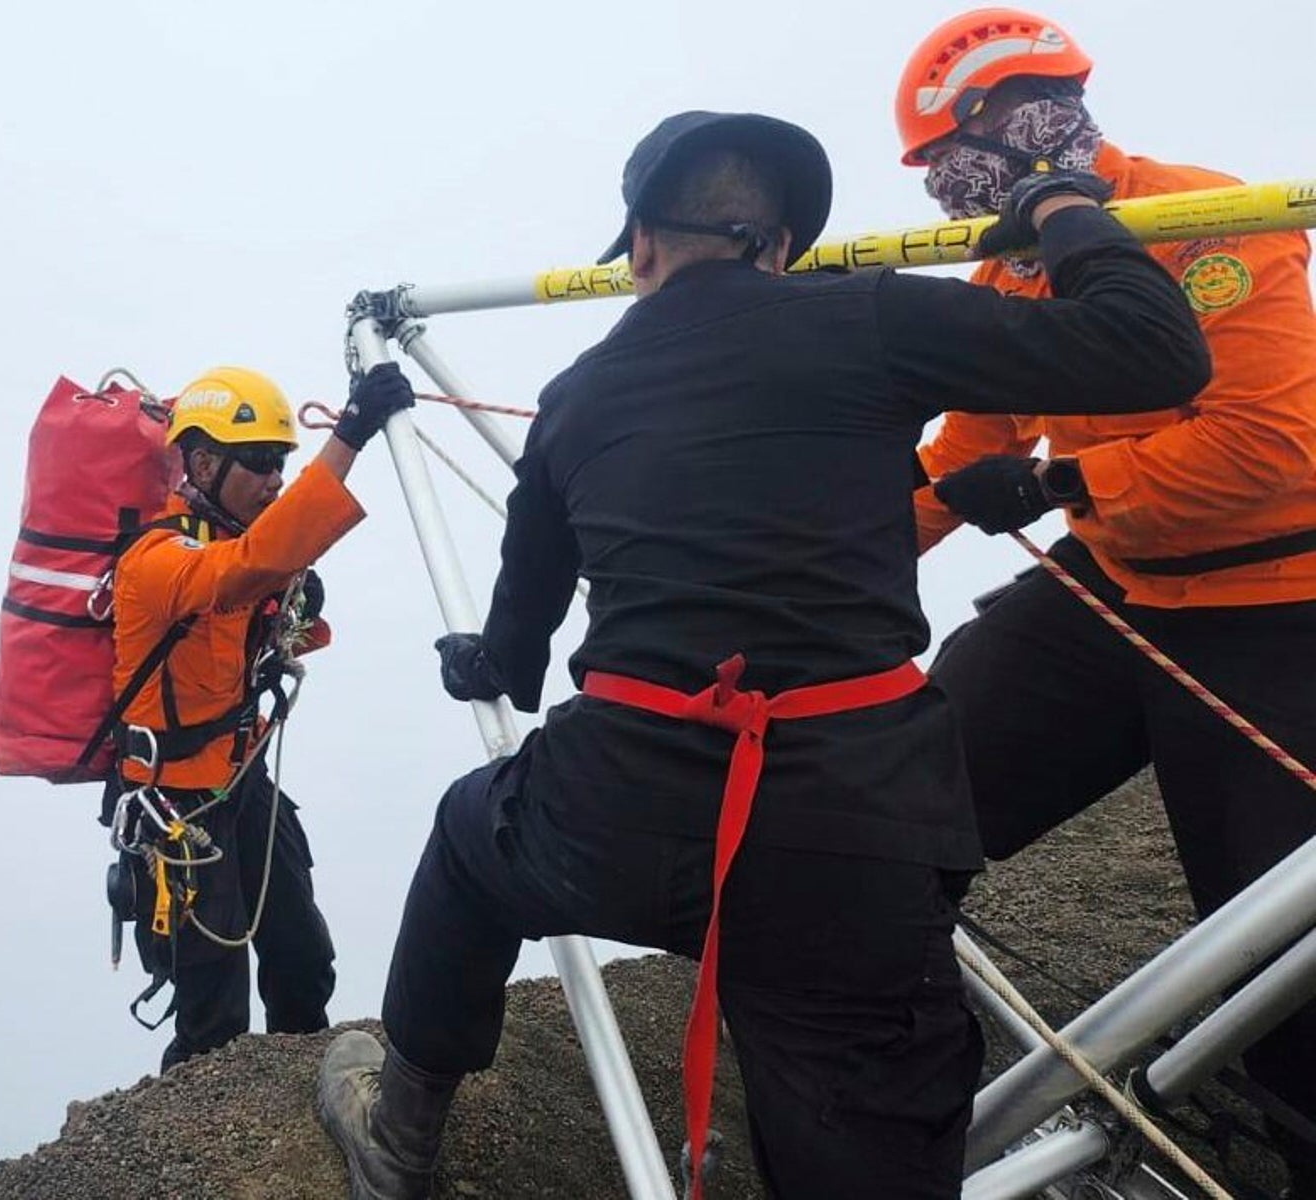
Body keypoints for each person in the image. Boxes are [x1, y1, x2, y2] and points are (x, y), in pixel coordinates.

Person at [316, 108, 1209, 1200]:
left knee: (467, 835)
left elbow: (519, 646)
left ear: (639, 243)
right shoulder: (869, 315)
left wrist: (483, 663)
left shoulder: (575, 397)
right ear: (782, 247)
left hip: (615, 817)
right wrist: (1062, 205)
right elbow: (1157, 352)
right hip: (849, 835)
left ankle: (399, 1135)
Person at [897, 10, 1316, 1193]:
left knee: (1274, 940)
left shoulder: (1207, 220)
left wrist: (1056, 481)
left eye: (948, 163)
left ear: (1011, 123)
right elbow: (963, 449)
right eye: (932, 174)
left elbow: (1271, 446)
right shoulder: (1012, 270)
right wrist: (831, 553)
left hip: (1279, 604)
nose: (945, 187)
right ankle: (898, 1087)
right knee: (898, 803)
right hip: (1113, 589)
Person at [105, 362, 413, 1071]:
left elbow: (266, 604)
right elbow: (244, 570)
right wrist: (350, 436)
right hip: (175, 808)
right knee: (213, 1012)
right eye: (259, 464)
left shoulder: (227, 552)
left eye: (281, 462)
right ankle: (200, 1147)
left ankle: (305, 1110)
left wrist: (297, 606)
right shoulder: (158, 559)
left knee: (303, 961)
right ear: (203, 463)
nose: (275, 478)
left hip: (240, 785)